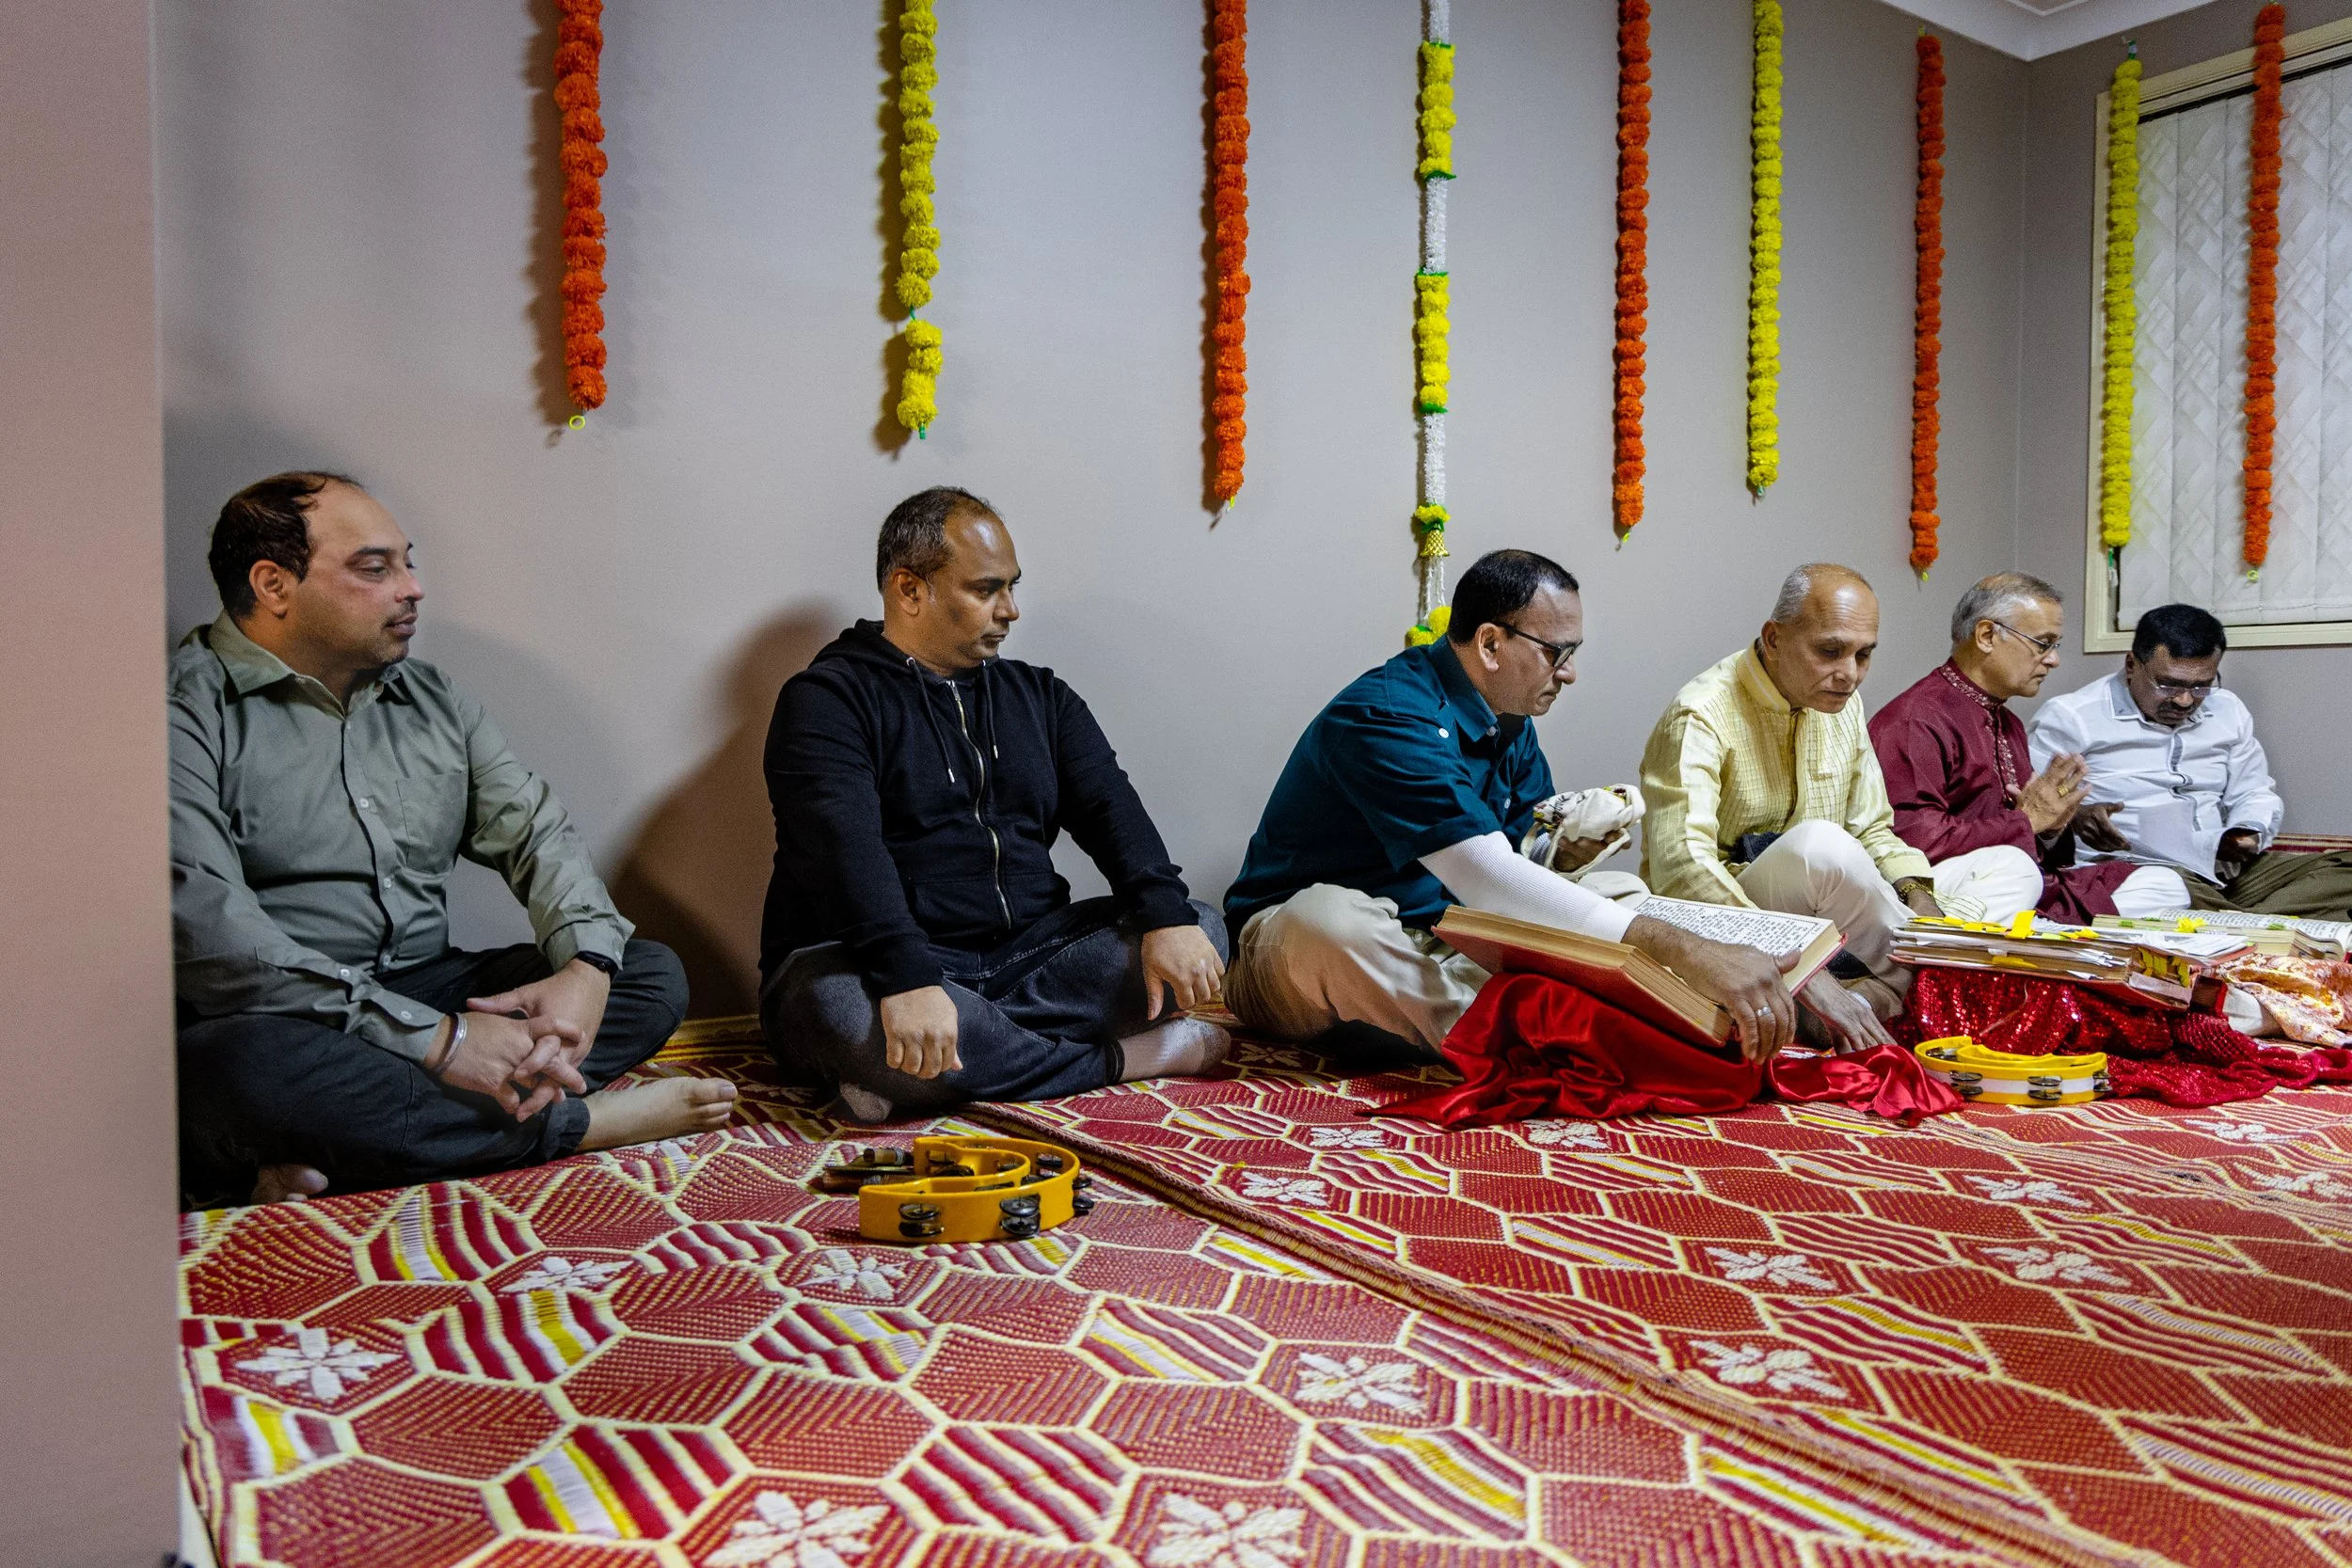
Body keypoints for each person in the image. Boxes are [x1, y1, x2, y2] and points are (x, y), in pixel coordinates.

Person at [173, 473, 731, 1208]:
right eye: (376, 568)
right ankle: (574, 1123)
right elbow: (218, 943)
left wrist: (588, 970)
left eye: (409, 562)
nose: (413, 589)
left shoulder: (432, 698)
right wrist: (444, 1044)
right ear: (274, 584)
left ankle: (331, 1147)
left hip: (424, 981)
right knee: (234, 1071)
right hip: (287, 1015)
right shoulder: (183, 711)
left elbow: (537, 833)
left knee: (650, 973)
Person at [1224, 549, 1804, 1065]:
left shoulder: (1512, 721)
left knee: (1619, 894)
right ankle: (1527, 1046)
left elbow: (1520, 853)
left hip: (1442, 940)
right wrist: (1687, 949)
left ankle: (1555, 1025)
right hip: (1298, 961)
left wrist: (1564, 847)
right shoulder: (1388, 716)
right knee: (1329, 921)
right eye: (1558, 653)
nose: (1571, 673)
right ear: (1490, 643)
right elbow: (1488, 878)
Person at [760, 486, 1230, 1121]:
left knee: (1198, 928)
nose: (1010, 609)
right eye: (987, 589)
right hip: (873, 963)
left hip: (1027, 955)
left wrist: (1165, 916)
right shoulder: (826, 700)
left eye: (1012, 586)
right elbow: (847, 856)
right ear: (910, 589)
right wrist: (910, 980)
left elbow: (1111, 808)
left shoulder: (1039, 695)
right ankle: (1126, 1058)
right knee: (838, 1011)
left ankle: (921, 1071)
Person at [1639, 564, 2035, 1052]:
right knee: (1820, 847)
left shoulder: (1843, 702)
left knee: (2012, 865)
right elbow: (1683, 868)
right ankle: (1939, 982)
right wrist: (1800, 966)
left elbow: (1872, 828)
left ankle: (1889, 987)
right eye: (1830, 650)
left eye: (1863, 654)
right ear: (1775, 637)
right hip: (1737, 916)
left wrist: (1922, 902)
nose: (1849, 673)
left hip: (1840, 907)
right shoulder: (1702, 713)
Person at [1870, 573, 2188, 923]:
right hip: (1952, 887)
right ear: (1987, 636)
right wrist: (2027, 821)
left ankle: (2037, 932)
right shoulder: (1915, 720)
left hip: (2020, 884)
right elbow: (1914, 842)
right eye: (2043, 643)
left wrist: (2052, 827)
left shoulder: (2008, 723)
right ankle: (2031, 935)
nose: (2054, 660)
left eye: (2055, 646)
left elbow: (2031, 834)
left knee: (2164, 884)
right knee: (2016, 870)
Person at [2028, 603, 2352, 918]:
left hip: (2224, 871)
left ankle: (2236, 922)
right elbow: (2032, 810)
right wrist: (2074, 816)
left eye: (2202, 686)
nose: (2185, 700)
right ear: (2131, 665)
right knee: (2165, 890)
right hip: (2141, 871)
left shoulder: (2229, 710)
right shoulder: (2071, 717)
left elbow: (2253, 792)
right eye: (2168, 685)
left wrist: (2249, 831)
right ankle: (2253, 923)